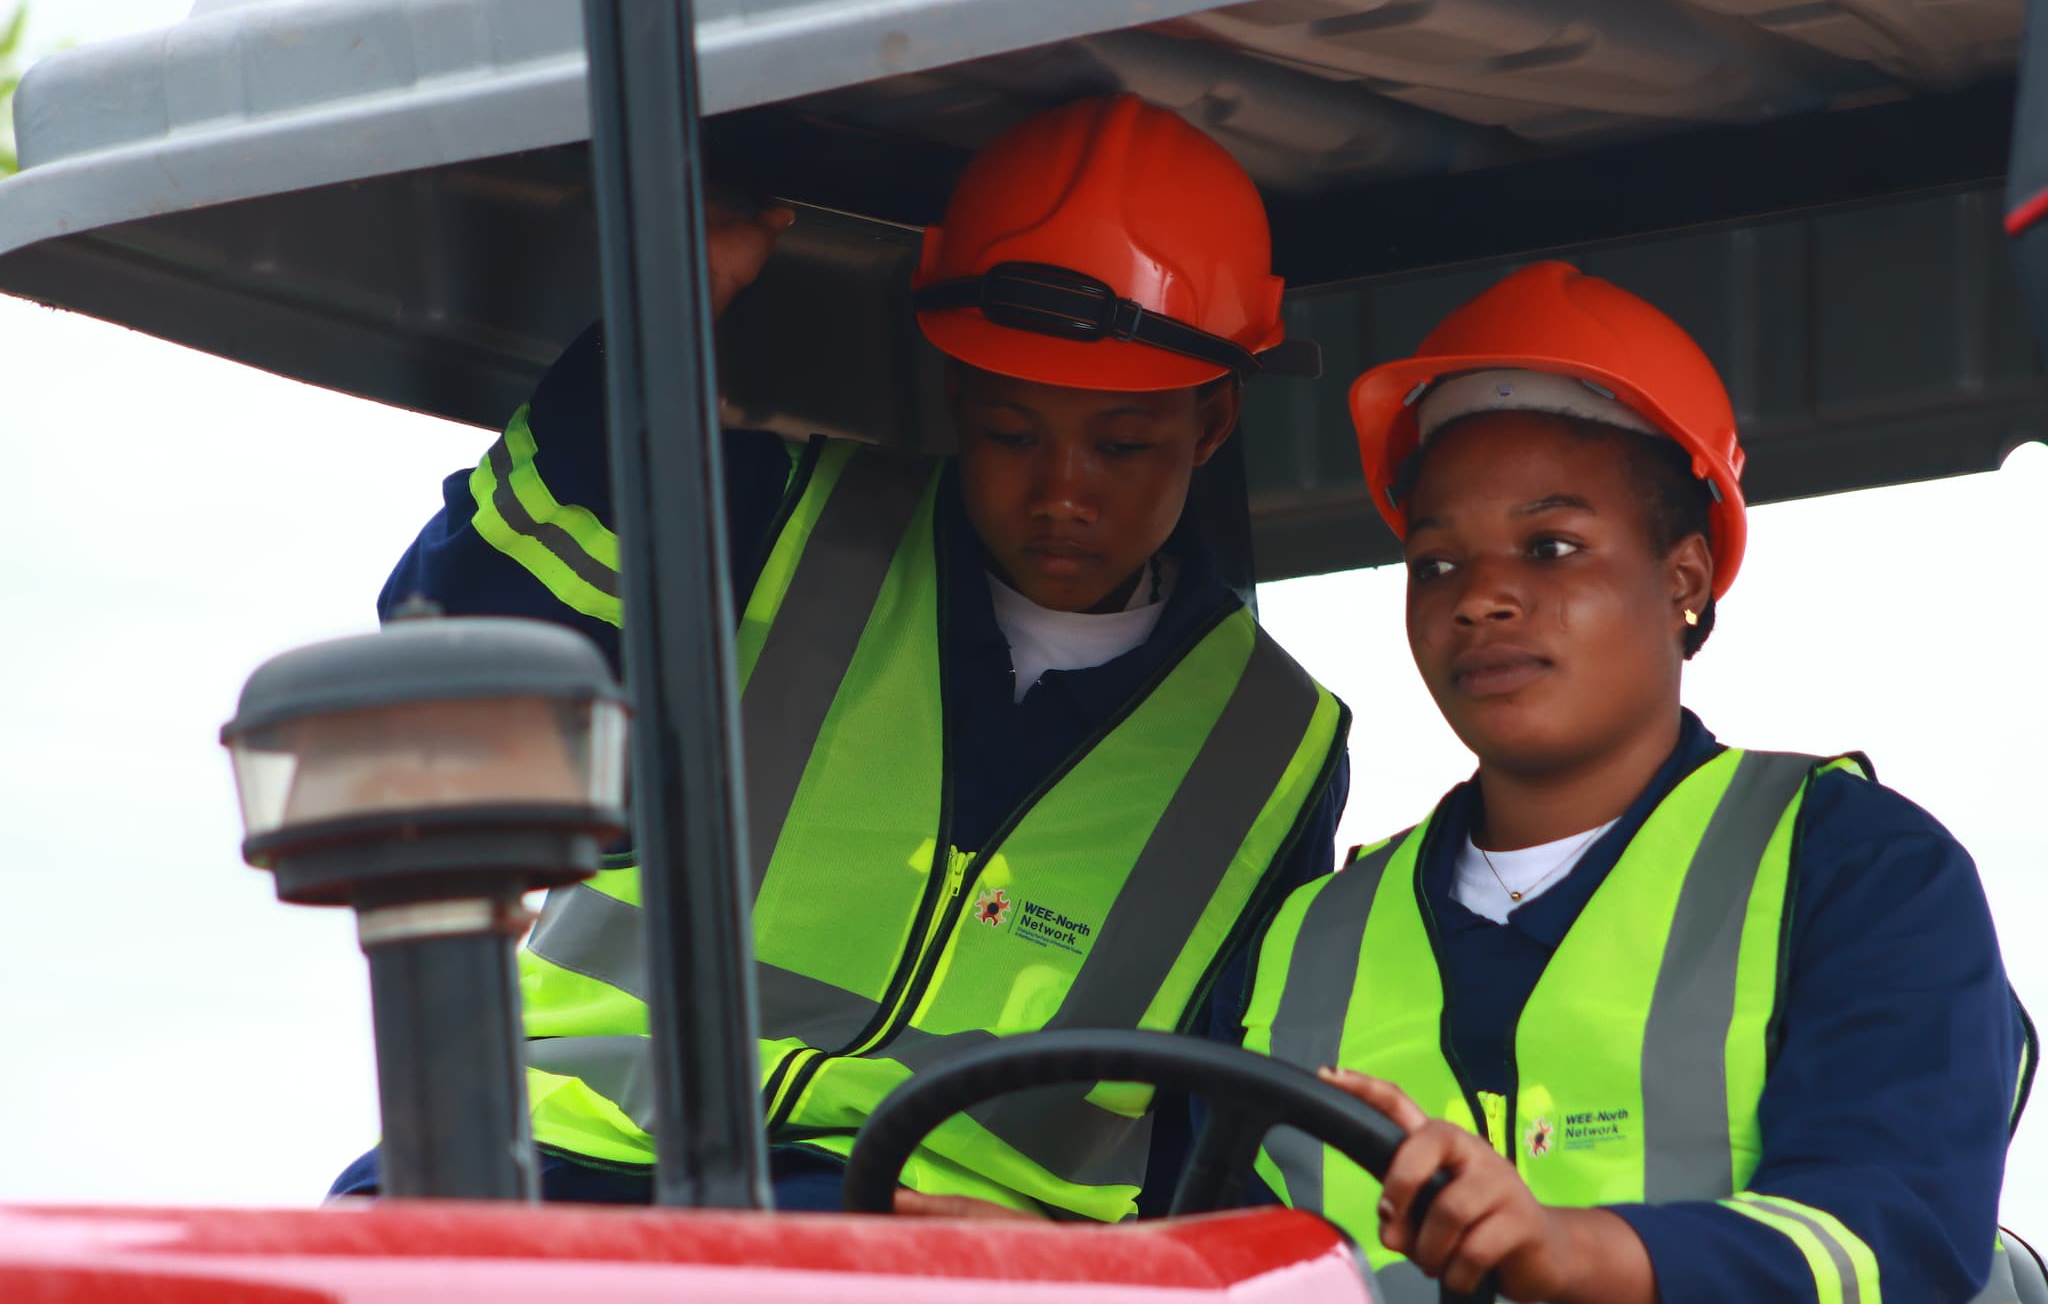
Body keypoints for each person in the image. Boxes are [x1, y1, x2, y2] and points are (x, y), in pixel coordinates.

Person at [332, 94, 1351, 1222]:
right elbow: (455, 644)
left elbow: (1214, 1124)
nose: (1063, 492)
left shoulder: (1278, 742)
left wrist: (1094, 1264)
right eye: (1013, 434)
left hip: (954, 1268)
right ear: (956, 394)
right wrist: (657, 323)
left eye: (1121, 446)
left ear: (1211, 426)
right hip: (561, 1179)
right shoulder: (764, 521)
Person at [1241, 261, 2036, 1301]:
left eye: (1549, 547)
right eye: (1435, 563)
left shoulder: (1854, 870)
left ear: (1684, 580)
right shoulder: (1302, 940)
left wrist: (1571, 1254)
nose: (1480, 598)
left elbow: (1894, 1237)